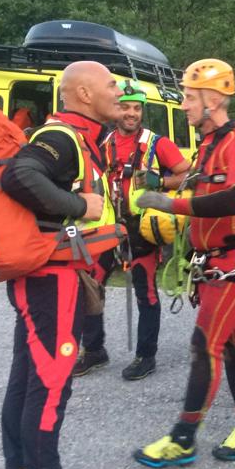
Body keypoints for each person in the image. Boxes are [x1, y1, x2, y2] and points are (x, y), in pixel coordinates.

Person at [0, 60, 122, 469]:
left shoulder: (81, 139)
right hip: (52, 280)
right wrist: (79, 205)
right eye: (110, 84)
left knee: (27, 377)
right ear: (84, 94)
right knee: (50, 383)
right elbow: (18, 176)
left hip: (44, 278)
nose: (118, 92)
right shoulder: (62, 137)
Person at [132, 58, 235, 467]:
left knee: (204, 344)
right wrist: (160, 184)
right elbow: (199, 187)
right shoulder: (207, 146)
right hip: (215, 262)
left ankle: (183, 438)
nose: (184, 105)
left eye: (191, 98)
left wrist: (169, 203)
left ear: (213, 100)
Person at [73, 83, 191, 380]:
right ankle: (94, 350)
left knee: (145, 291)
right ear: (116, 109)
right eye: (125, 107)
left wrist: (160, 182)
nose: (131, 113)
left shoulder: (157, 144)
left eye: (137, 108)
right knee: (90, 285)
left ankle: (145, 356)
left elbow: (188, 175)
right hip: (106, 228)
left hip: (140, 231)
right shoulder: (102, 143)